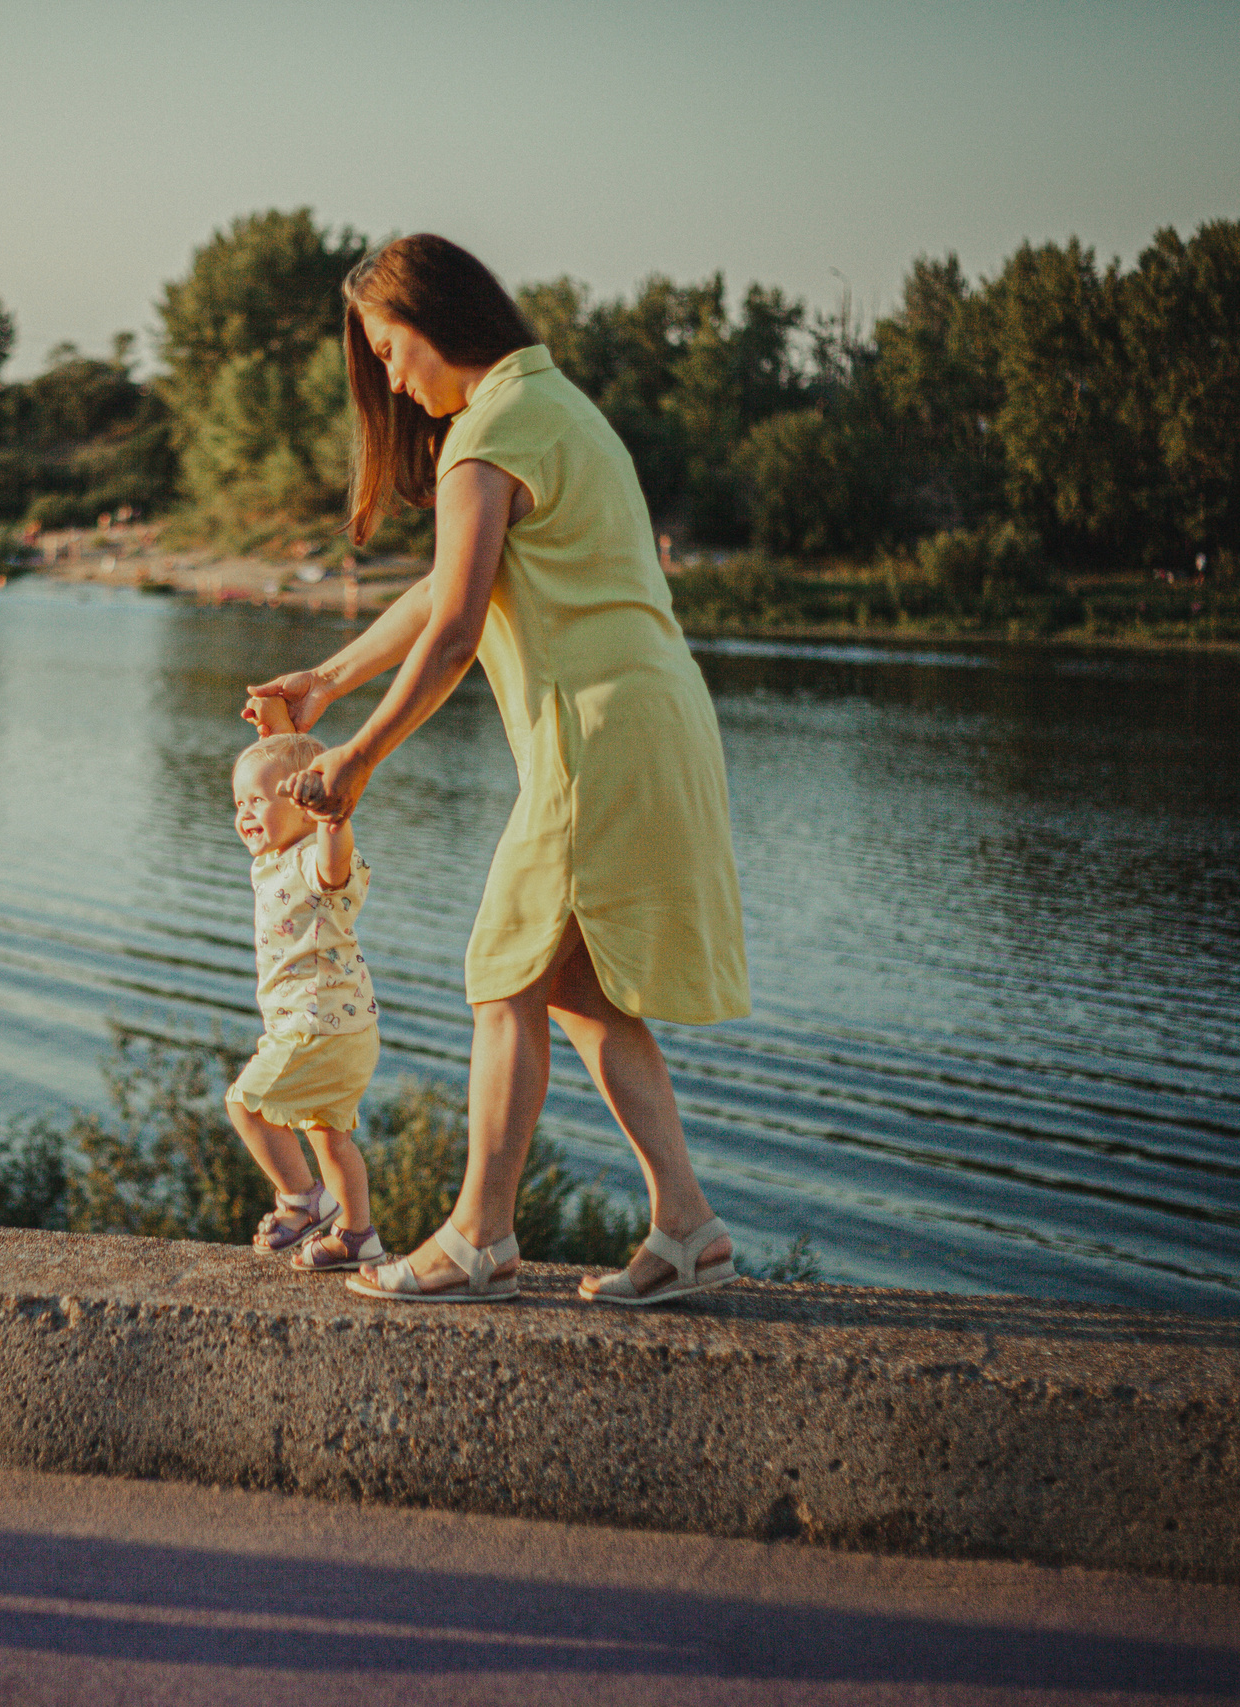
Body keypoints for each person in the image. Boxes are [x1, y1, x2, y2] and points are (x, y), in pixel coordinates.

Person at [247, 234, 750, 1306]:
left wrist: (356, 758)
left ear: (438, 322)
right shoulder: (556, 407)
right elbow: (443, 587)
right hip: (657, 719)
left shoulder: (493, 429)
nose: (387, 377)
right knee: (572, 982)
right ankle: (689, 1229)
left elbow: (455, 631)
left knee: (503, 971)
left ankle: (477, 1237)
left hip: (593, 735)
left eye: (389, 349)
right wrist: (329, 677)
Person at [226, 719, 388, 1273]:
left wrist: (331, 816)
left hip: (318, 1025)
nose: (245, 812)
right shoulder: (273, 859)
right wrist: (279, 733)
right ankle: (357, 1234)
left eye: (258, 801)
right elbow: (288, 765)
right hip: (343, 1028)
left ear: (308, 808)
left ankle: (303, 1200)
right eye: (239, 802)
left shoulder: (315, 859)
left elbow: (333, 858)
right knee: (329, 1138)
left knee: (245, 1104)